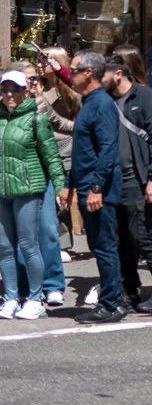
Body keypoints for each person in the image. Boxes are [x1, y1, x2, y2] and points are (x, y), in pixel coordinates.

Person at [106, 51, 152, 316]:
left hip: (141, 178)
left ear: (118, 74)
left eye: (102, 76)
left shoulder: (145, 98)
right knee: (123, 238)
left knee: (143, 233)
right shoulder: (107, 100)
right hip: (117, 179)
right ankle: (130, 289)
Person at [0, 68, 65, 319]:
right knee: (5, 248)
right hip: (3, 191)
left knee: (29, 245)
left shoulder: (38, 119)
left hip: (28, 189)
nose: (9, 94)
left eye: (14, 89)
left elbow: (51, 156)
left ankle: (36, 298)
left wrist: (60, 186)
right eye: (5, 89)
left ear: (26, 90)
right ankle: (11, 297)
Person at [67, 50, 127, 321]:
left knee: (105, 247)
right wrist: (70, 184)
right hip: (85, 184)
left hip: (98, 189)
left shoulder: (101, 104)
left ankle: (111, 304)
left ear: (88, 73)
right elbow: (83, 150)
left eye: (73, 70)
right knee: (99, 245)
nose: (70, 74)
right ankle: (112, 300)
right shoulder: (88, 102)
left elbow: (107, 150)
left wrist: (95, 187)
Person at [29, 55, 76, 307]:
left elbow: (51, 147)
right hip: (12, 181)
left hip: (43, 175)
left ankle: (53, 285)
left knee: (48, 231)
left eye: (31, 80)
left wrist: (60, 184)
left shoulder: (41, 106)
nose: (16, 91)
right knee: (16, 238)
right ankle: (22, 288)